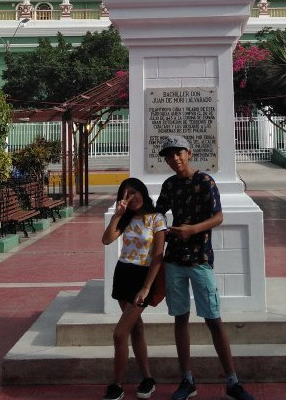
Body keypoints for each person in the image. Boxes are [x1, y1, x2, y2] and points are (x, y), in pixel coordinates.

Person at [155, 135, 257, 400]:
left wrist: (192, 230)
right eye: (169, 155)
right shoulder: (168, 185)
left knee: (213, 319)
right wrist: (156, 230)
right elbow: (157, 213)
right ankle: (187, 380)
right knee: (180, 318)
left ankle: (232, 382)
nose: (174, 159)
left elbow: (218, 216)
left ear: (189, 152)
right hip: (174, 259)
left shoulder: (205, 181)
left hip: (200, 259)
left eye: (178, 153)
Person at [102, 178, 167, 400]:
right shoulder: (126, 218)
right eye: (126, 194)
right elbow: (107, 239)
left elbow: (158, 256)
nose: (132, 197)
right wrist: (118, 214)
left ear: (143, 192)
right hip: (123, 274)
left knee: (120, 334)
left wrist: (147, 287)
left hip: (143, 277)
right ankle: (148, 378)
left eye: (135, 192)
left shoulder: (157, 219)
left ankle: (117, 384)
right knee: (136, 328)